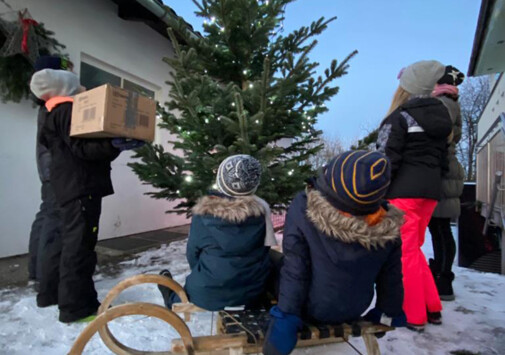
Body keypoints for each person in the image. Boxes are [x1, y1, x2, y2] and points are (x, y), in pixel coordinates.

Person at [30, 65, 144, 323]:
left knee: (62, 241)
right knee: (79, 247)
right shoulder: (69, 110)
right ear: (66, 87)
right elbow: (83, 150)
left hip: (65, 185)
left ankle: (49, 294)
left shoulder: (51, 112)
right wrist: (114, 144)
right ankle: (77, 308)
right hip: (81, 186)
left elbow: (71, 149)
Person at [263, 150, 406, 355]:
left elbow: (296, 270)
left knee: (271, 261)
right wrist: (388, 310)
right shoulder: (387, 225)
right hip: (354, 308)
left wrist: (286, 316)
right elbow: (391, 276)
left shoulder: (304, 208)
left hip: (311, 308)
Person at [376, 60, 453, 331]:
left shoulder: (398, 118)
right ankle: (432, 307)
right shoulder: (442, 120)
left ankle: (413, 315)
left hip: (402, 195)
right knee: (413, 249)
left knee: (403, 254)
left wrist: (378, 193)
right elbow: (443, 161)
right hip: (429, 195)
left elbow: (386, 161)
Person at [158, 154, 276, 311]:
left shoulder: (204, 213)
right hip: (251, 292)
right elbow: (264, 251)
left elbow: (193, 253)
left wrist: (205, 273)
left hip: (208, 292)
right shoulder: (262, 211)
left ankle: (170, 298)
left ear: (221, 180)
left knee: (185, 296)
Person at [428, 65, 465, 301]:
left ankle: (443, 278)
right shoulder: (454, 103)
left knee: (439, 228)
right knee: (440, 228)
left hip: (442, 173)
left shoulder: (442, 104)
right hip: (449, 171)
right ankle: (442, 274)